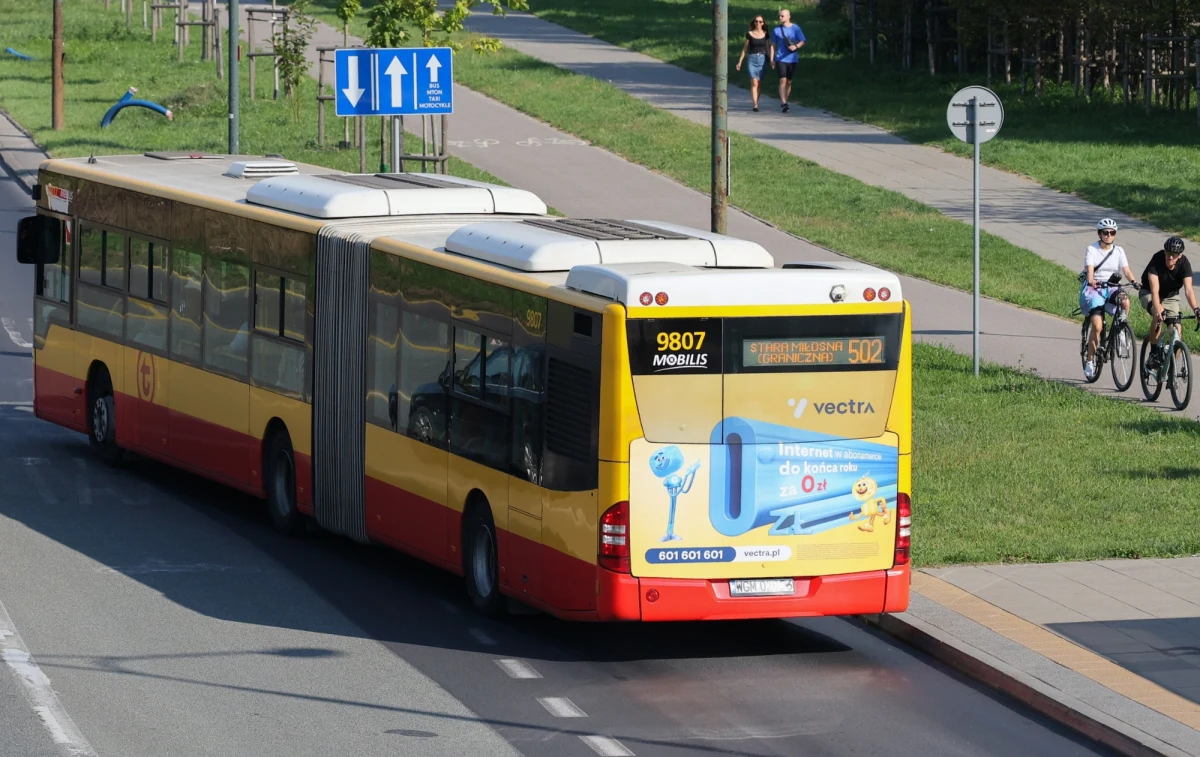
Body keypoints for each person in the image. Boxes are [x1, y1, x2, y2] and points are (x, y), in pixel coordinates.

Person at [1080, 218, 1137, 380]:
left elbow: (1126, 270)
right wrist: (1091, 279)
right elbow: (1089, 269)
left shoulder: (1119, 251)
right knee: (1097, 327)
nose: (1109, 235)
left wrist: (1134, 282)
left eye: (1112, 233)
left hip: (1112, 286)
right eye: (1105, 232)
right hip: (1095, 288)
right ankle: (1090, 361)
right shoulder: (1092, 249)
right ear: (1100, 234)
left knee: (1125, 301)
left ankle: (1120, 330)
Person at [1139, 235, 1200, 368]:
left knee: (1177, 328)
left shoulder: (1184, 263)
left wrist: (1196, 309)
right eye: (1167, 253)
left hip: (1170, 296)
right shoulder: (1157, 260)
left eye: (1173, 254)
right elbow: (1155, 290)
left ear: (1179, 255)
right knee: (1157, 314)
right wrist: (1158, 308)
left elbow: (1189, 290)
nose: (1169, 257)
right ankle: (1153, 354)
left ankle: (1171, 367)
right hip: (1148, 292)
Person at [770, 9, 806, 113]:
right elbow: (773, 45)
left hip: (792, 58)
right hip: (780, 58)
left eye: (782, 16)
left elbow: (803, 40)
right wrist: (772, 59)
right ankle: (783, 103)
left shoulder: (796, 28)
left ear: (788, 16)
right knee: (783, 80)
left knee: (789, 82)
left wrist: (796, 46)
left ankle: (785, 100)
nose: (780, 18)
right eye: (779, 16)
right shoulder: (776, 30)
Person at [735, 15, 771, 111]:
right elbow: (745, 48)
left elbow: (768, 48)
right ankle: (755, 105)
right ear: (753, 23)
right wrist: (740, 61)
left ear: (763, 23)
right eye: (756, 21)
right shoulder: (749, 34)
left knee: (759, 83)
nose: (758, 23)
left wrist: (772, 60)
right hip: (751, 58)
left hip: (762, 59)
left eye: (760, 22)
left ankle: (756, 102)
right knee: (754, 83)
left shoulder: (766, 34)